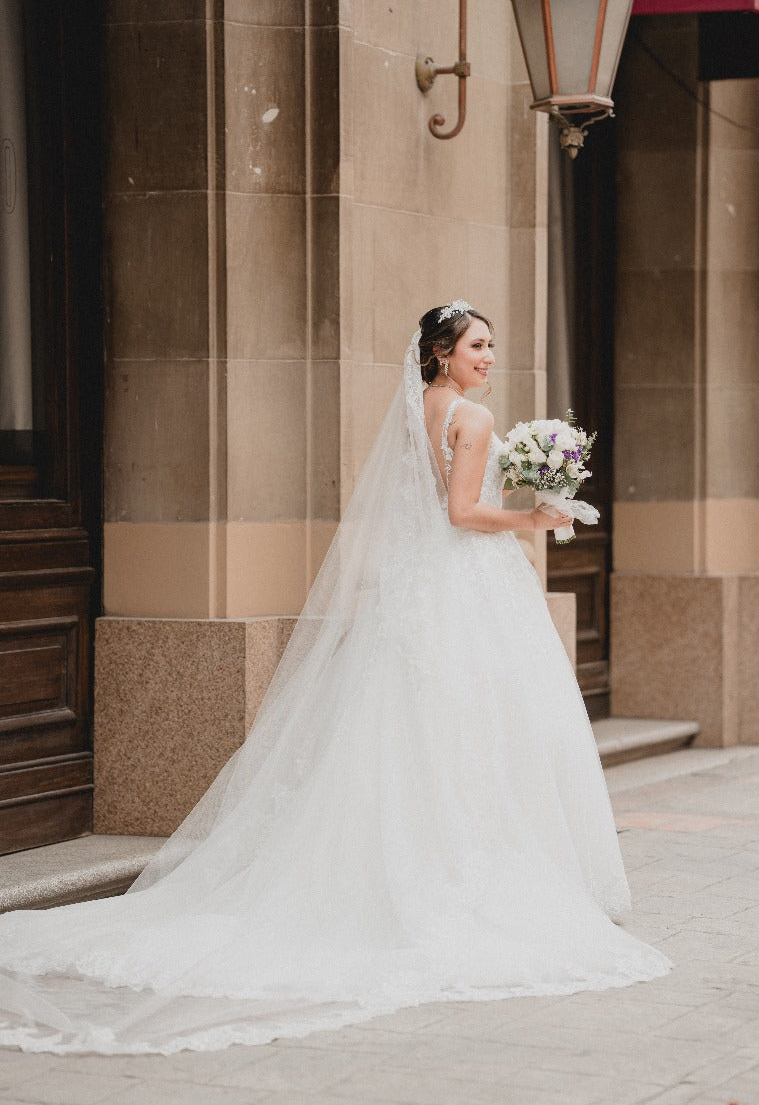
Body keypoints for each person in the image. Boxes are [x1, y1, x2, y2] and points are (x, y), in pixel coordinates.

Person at [0, 302, 670, 1056]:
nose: (489, 355)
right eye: (477, 345)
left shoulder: (419, 406)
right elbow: (459, 514)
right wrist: (536, 518)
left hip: (417, 591)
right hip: (461, 588)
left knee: (405, 727)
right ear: (443, 353)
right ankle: (464, 876)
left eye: (490, 345)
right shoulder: (474, 422)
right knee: (472, 727)